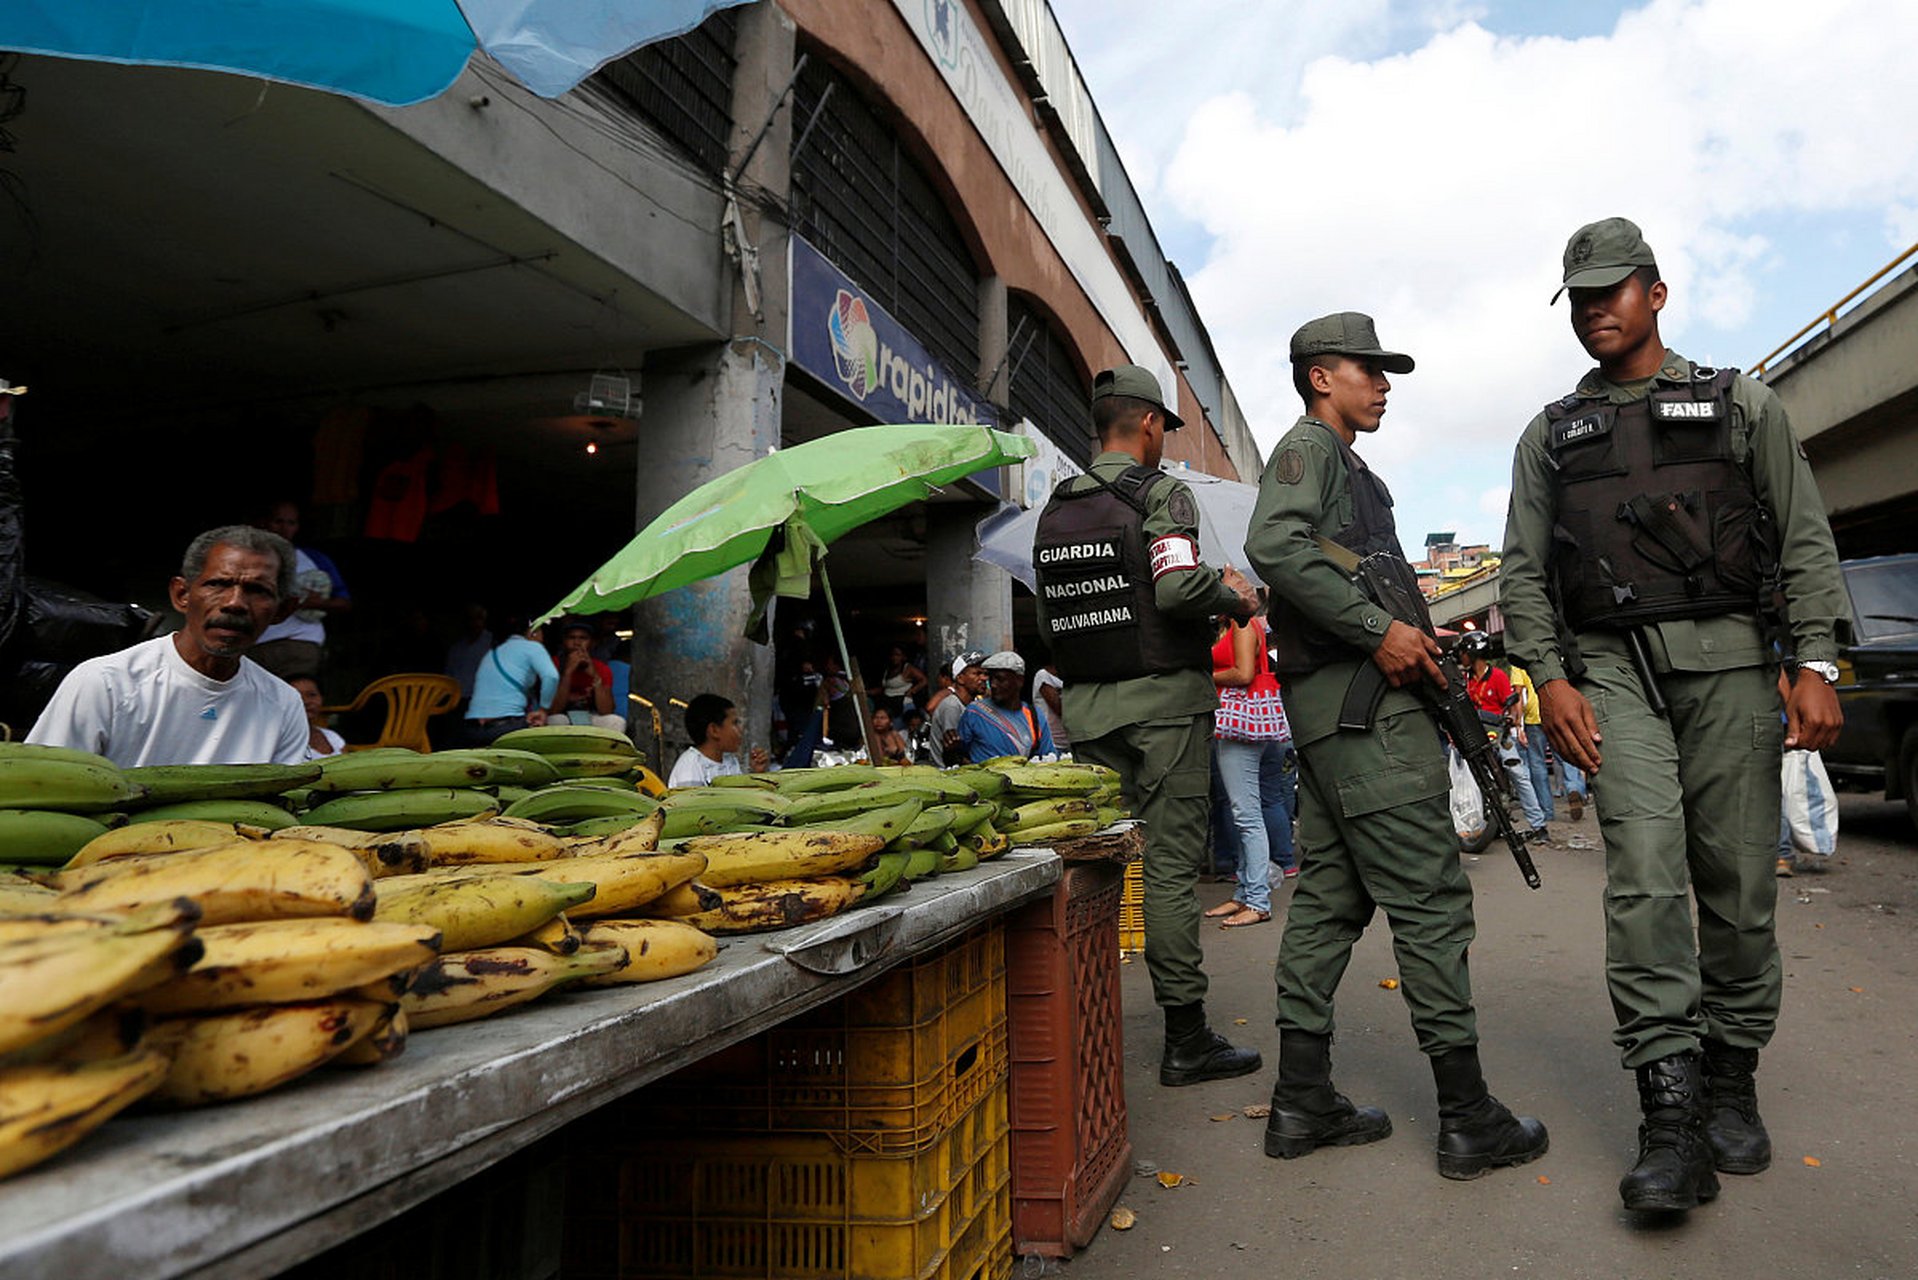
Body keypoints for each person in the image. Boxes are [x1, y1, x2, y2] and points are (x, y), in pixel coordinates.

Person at [1499, 218, 1848, 1214]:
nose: (1594, 311)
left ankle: (1730, 1077)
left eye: (1611, 290)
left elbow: (1803, 535)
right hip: (1610, 672)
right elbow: (1523, 571)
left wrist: (1815, 660)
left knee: (1737, 883)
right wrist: (1550, 680)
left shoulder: (1742, 405)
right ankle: (1670, 1117)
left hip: (1731, 663)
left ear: (1655, 292)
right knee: (1646, 878)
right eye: (1578, 298)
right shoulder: (1549, 435)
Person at [1246, 313, 1547, 1178]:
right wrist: (1380, 631)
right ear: (1320, 378)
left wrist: (1409, 631)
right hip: (1367, 717)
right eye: (1367, 370)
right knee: (1430, 904)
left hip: (1339, 717)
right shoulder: (1309, 448)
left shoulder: (1349, 468)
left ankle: (1302, 1101)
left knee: (1329, 903)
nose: (1383, 386)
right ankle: (1468, 1118)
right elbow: (1274, 545)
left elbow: (1343, 570)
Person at [1033, 363, 1263, 1088]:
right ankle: (1186, 1040)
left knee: (1092, 869)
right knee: (1166, 870)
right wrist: (1232, 597)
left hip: (1089, 713)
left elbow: (1050, 624)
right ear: (1151, 424)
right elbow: (1174, 587)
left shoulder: (1055, 509)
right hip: (1164, 711)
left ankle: (1075, 1027)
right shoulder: (1162, 493)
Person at [27, 525, 309, 766]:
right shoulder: (106, 683)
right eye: (218, 584)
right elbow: (41, 782)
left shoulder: (283, 704)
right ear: (182, 595)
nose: (234, 603)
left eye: (258, 590)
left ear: (283, 610)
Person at [1205, 608, 1291, 927]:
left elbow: (1243, 674)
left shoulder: (1242, 624)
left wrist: (1203, 676)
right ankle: (1244, 893)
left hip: (1240, 726)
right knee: (1245, 814)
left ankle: (1257, 900)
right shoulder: (1233, 625)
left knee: (1247, 816)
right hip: (1242, 726)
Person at [247, 500, 350, 681]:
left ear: (297, 527)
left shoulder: (314, 559)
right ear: (263, 523)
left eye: (291, 523)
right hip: (256, 645)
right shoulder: (246, 558)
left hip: (301, 644)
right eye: (278, 521)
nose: (284, 528)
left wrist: (316, 603)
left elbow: (344, 603)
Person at [1459, 632, 1546, 836]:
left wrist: (1512, 720)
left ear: (1472, 653)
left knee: (1518, 773)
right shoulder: (1465, 680)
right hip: (1476, 737)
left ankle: (1539, 825)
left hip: (1500, 736)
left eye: (1463, 652)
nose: (1461, 656)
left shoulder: (1497, 676)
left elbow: (1513, 704)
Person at [463, 619, 561, 746]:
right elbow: (551, 676)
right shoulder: (533, 647)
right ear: (534, 632)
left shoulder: (493, 652)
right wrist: (543, 709)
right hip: (506, 728)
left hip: (473, 729)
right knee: (555, 726)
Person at [958, 651, 1055, 763]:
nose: (993, 685)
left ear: (1019, 681)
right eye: (991, 679)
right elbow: (960, 754)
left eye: (1000, 679)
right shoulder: (975, 712)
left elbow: (1047, 758)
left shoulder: (1035, 716)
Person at [668, 693, 768, 786]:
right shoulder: (690, 766)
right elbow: (690, 799)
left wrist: (756, 773)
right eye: (735, 723)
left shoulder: (730, 761)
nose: (741, 729)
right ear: (714, 730)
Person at [549, 618, 627, 732]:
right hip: (564, 716)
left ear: (592, 643)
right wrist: (568, 672)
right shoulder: (552, 664)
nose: (577, 643)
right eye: (572, 638)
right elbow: (553, 710)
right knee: (555, 720)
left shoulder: (601, 668)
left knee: (616, 722)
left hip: (591, 715)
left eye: (583, 638)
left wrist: (594, 675)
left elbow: (607, 711)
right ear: (564, 641)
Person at [1506, 660, 1555, 824]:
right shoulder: (1548, 657)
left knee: (1537, 764)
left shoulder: (1518, 665)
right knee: (1564, 757)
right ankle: (1575, 788)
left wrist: (1518, 726)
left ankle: (1547, 810)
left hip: (1534, 718)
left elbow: (1518, 695)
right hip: (1554, 713)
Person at [929, 651, 986, 767]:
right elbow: (955, 750)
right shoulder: (952, 706)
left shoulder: (975, 704)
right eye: (977, 673)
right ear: (960, 678)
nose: (984, 678)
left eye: (984, 674)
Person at [444, 603, 493, 704]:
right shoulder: (457, 647)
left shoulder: (492, 644)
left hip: (482, 700)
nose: (474, 623)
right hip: (457, 699)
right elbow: (449, 674)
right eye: (470, 619)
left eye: (478, 618)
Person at [287, 675, 345, 757]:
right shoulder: (280, 742)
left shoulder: (332, 737)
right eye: (296, 696)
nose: (306, 701)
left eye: (312, 695)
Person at [870, 644, 926, 718]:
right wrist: (867, 692)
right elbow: (883, 688)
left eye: (897, 655)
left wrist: (912, 691)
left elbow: (923, 680)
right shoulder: (888, 670)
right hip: (888, 703)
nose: (894, 657)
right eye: (892, 655)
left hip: (901, 703)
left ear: (903, 657)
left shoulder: (908, 669)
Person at [1032, 659, 1070, 753]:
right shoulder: (1043, 675)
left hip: (1069, 742)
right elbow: (1059, 708)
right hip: (1052, 743)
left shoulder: (1068, 677)